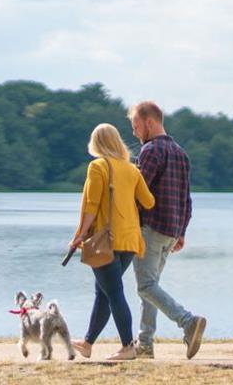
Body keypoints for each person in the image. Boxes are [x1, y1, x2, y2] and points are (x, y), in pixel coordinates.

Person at [67, 123, 155, 361]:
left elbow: (92, 207)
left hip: (105, 240)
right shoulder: (132, 169)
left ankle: (128, 347)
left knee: (113, 292)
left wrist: (78, 237)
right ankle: (87, 343)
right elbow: (148, 202)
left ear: (96, 143)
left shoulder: (98, 166)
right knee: (104, 292)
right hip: (129, 241)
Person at [128, 100, 207, 359]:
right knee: (152, 286)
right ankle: (145, 344)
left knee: (145, 287)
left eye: (136, 125)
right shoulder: (180, 152)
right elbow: (187, 198)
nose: (134, 132)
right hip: (171, 231)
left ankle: (187, 321)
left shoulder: (151, 151)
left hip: (151, 228)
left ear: (150, 122)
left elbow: (137, 192)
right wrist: (181, 232)